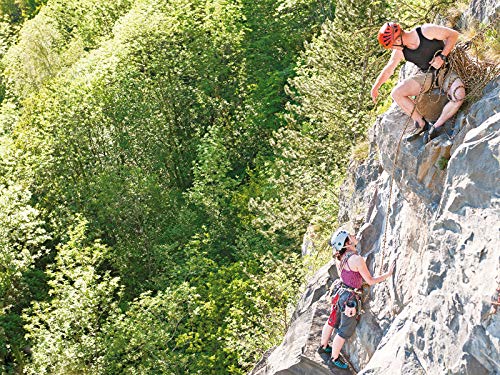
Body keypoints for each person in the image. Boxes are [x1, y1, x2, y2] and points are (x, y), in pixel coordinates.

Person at [370, 22, 466, 142]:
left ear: (398, 39)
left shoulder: (426, 31)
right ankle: (423, 124)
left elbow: (453, 35)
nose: (393, 48)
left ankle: (436, 127)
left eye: (393, 45)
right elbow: (388, 69)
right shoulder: (400, 51)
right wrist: (375, 87)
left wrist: (442, 56)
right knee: (396, 93)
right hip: (427, 76)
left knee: (459, 95)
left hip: (448, 70)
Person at [317, 229, 395, 369]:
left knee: (332, 319)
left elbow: (349, 275)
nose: (354, 236)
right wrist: (388, 274)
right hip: (350, 299)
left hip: (340, 293)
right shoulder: (356, 259)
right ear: (347, 243)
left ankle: (323, 346)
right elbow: (370, 281)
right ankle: (334, 358)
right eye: (350, 236)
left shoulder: (340, 257)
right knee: (345, 330)